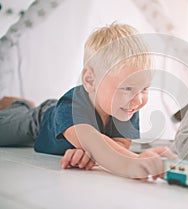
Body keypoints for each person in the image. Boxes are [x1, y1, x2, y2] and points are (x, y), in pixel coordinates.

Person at [0, 22, 177, 180]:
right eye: (127, 88)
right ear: (90, 80)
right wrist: (135, 162)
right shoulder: (72, 106)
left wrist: (92, 154)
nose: (138, 100)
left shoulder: (127, 107)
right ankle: (20, 106)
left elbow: (119, 144)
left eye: (144, 89)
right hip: (39, 122)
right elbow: (93, 142)